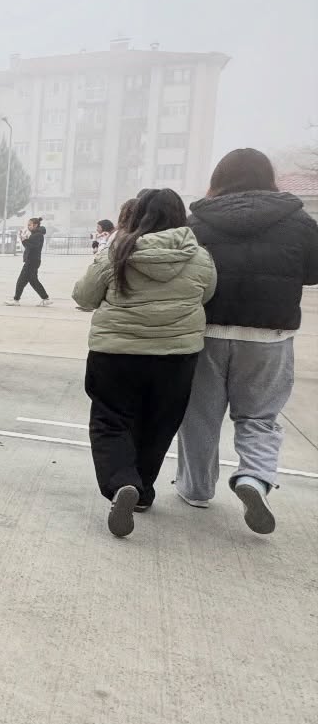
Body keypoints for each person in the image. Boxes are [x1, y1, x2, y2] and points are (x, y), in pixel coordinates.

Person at [175, 149, 318, 534]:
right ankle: (255, 476)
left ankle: (196, 488)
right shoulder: (299, 222)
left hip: (207, 332)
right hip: (269, 335)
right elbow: (312, 272)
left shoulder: (198, 222)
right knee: (259, 415)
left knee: (199, 416)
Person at [72, 188, 216, 539]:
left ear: (137, 215)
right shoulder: (200, 258)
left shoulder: (117, 252)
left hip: (115, 354)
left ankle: (122, 482)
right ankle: (143, 492)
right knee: (159, 424)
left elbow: (83, 296)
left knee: (110, 421)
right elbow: (207, 294)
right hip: (176, 357)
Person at [8, 217, 52, 305]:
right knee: (33, 281)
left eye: (29, 225)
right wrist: (24, 238)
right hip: (33, 261)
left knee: (21, 280)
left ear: (35, 225)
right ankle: (46, 299)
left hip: (32, 261)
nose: (28, 227)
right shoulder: (36, 234)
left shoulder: (37, 235)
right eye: (28, 225)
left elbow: (30, 246)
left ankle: (16, 300)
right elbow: (30, 245)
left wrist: (23, 239)